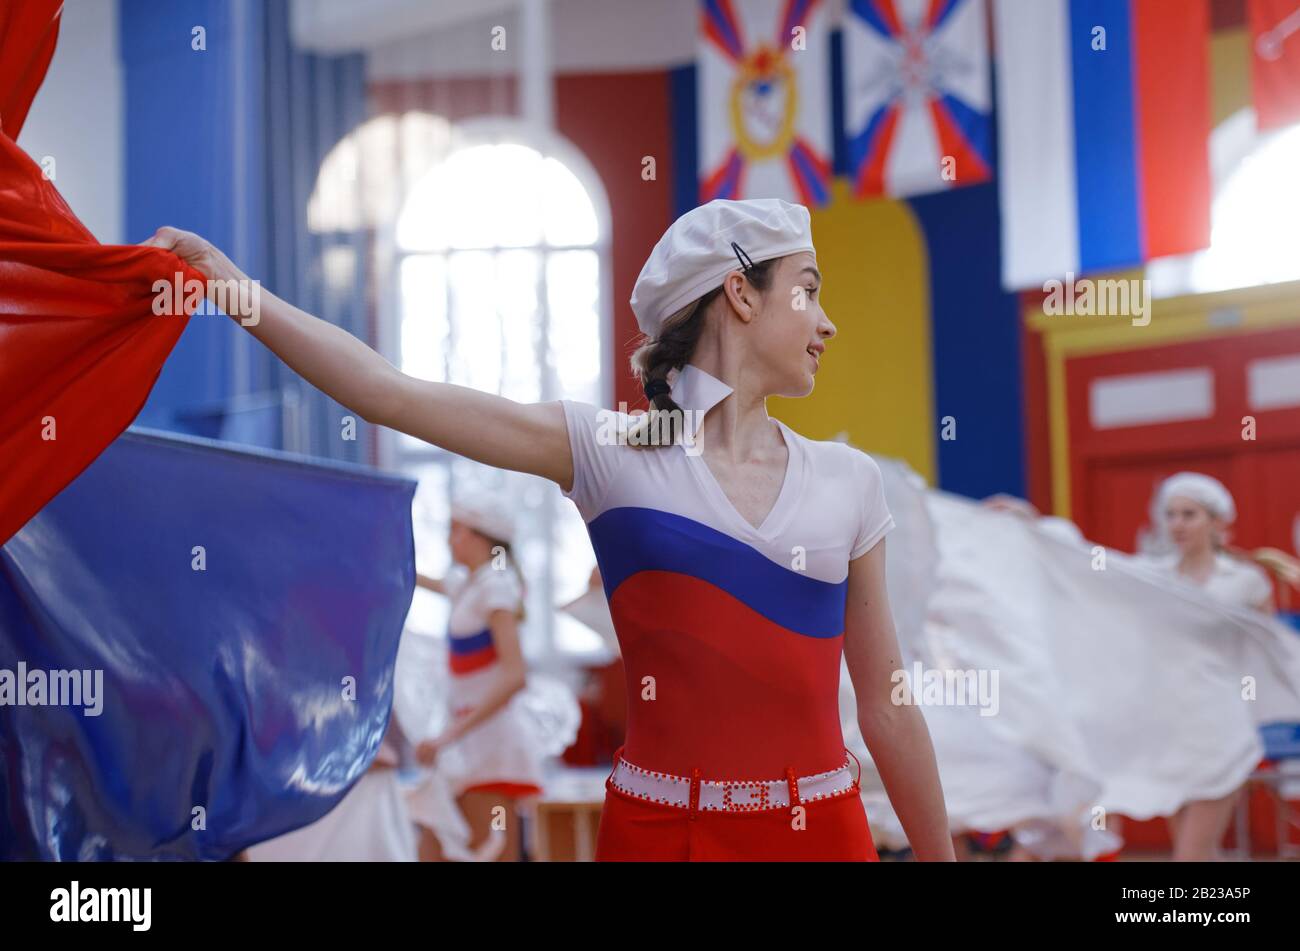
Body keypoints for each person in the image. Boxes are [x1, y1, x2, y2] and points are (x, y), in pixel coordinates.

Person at [142, 196, 955, 862]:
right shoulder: (609, 453)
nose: (828, 323)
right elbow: (388, 393)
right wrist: (234, 289)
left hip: (823, 835)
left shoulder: (851, 482)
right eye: (807, 290)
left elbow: (887, 707)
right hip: (662, 836)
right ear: (740, 293)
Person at [1140, 472, 1274, 860]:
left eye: (1189, 514)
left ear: (1216, 522)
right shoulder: (1152, 576)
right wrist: (1034, 523)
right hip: (1169, 727)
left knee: (1191, 854)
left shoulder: (1247, 582)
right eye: (1170, 515)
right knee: (1196, 850)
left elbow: (1271, 654)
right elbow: (1088, 567)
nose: (1177, 524)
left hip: (1222, 728)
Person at [406, 495, 542, 861]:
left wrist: (448, 735)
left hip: (489, 745)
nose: (450, 540)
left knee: (489, 851)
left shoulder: (496, 586)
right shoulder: (471, 585)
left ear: (482, 537)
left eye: (457, 531)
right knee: (438, 849)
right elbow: (424, 579)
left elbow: (516, 675)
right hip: (465, 742)